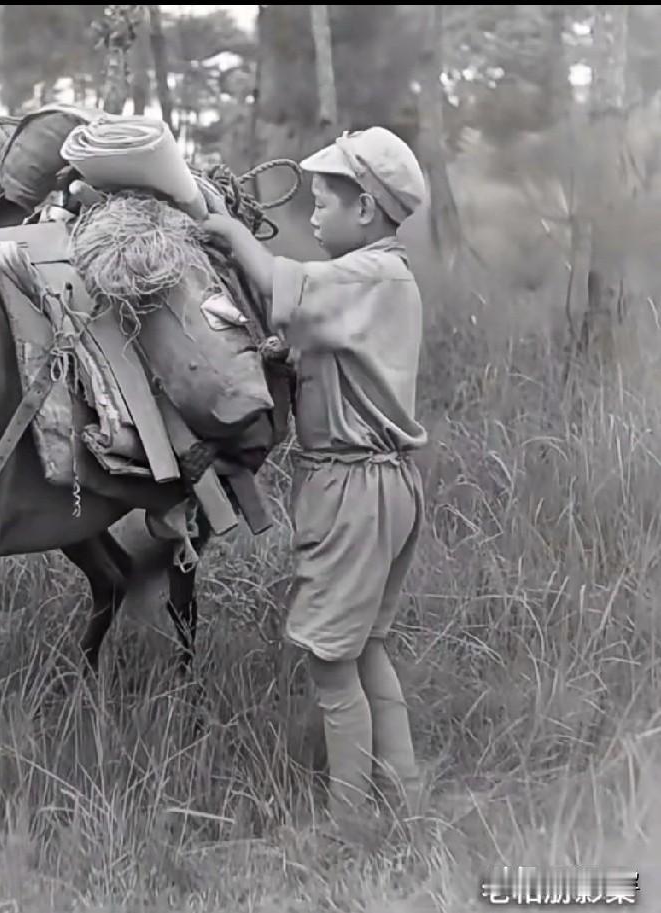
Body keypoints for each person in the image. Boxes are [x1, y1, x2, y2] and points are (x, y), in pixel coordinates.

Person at [203, 127, 429, 833]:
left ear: (365, 208)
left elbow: (276, 280)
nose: (313, 215)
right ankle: (408, 799)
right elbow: (309, 335)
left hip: (350, 489)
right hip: (386, 485)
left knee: (332, 666)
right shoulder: (378, 281)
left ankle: (348, 824)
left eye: (324, 199)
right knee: (368, 650)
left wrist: (224, 228)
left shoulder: (371, 274)